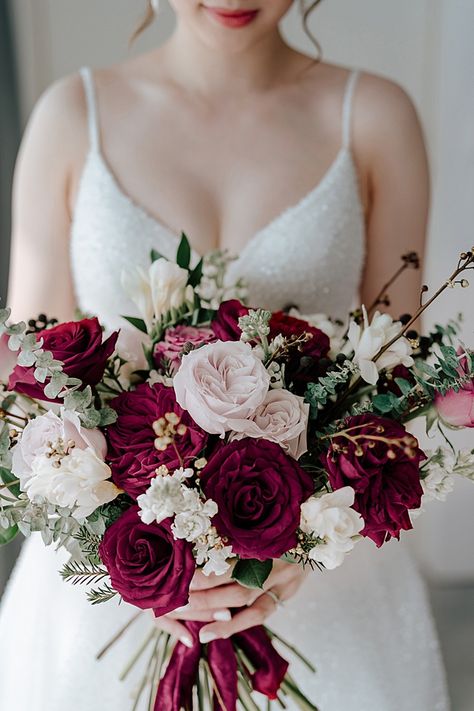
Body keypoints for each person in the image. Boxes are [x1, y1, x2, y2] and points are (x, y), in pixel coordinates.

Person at [0, 1, 449, 709]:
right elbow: (25, 383)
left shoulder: (374, 116)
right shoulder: (69, 116)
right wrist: (133, 552)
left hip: (325, 575)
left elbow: (396, 374)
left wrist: (297, 548)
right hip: (108, 584)